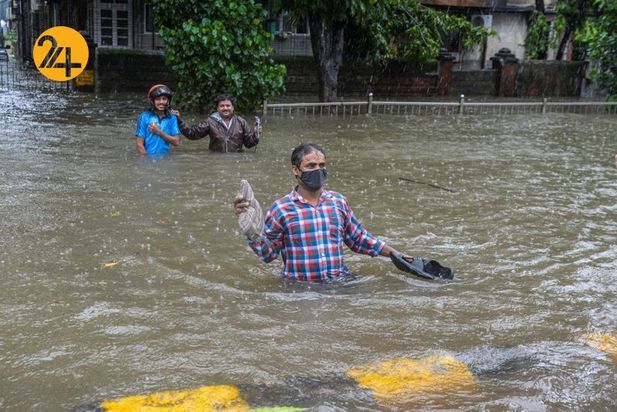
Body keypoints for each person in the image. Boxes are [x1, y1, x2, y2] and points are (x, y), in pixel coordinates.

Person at [233, 143, 402, 281]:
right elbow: (268, 254)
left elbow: (358, 239)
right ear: (295, 170)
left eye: (322, 165)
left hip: (339, 283)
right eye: (311, 165)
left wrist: (396, 255)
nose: (318, 170)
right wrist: (251, 232)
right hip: (300, 289)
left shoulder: (338, 202)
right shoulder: (281, 209)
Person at [174, 93, 261, 153]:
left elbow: (249, 144)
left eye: (228, 105)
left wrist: (256, 133)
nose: (225, 108)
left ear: (233, 107)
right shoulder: (210, 121)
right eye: (222, 106)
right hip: (216, 161)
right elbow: (192, 134)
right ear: (217, 108)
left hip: (236, 162)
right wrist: (179, 120)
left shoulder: (241, 122)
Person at [135, 84, 181, 155]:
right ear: (152, 101)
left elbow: (176, 142)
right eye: (158, 99)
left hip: (164, 160)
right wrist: (146, 161)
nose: (161, 102)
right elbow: (139, 145)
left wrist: (159, 132)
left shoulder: (172, 118)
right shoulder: (144, 117)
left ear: (168, 101)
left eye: (164, 99)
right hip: (147, 160)